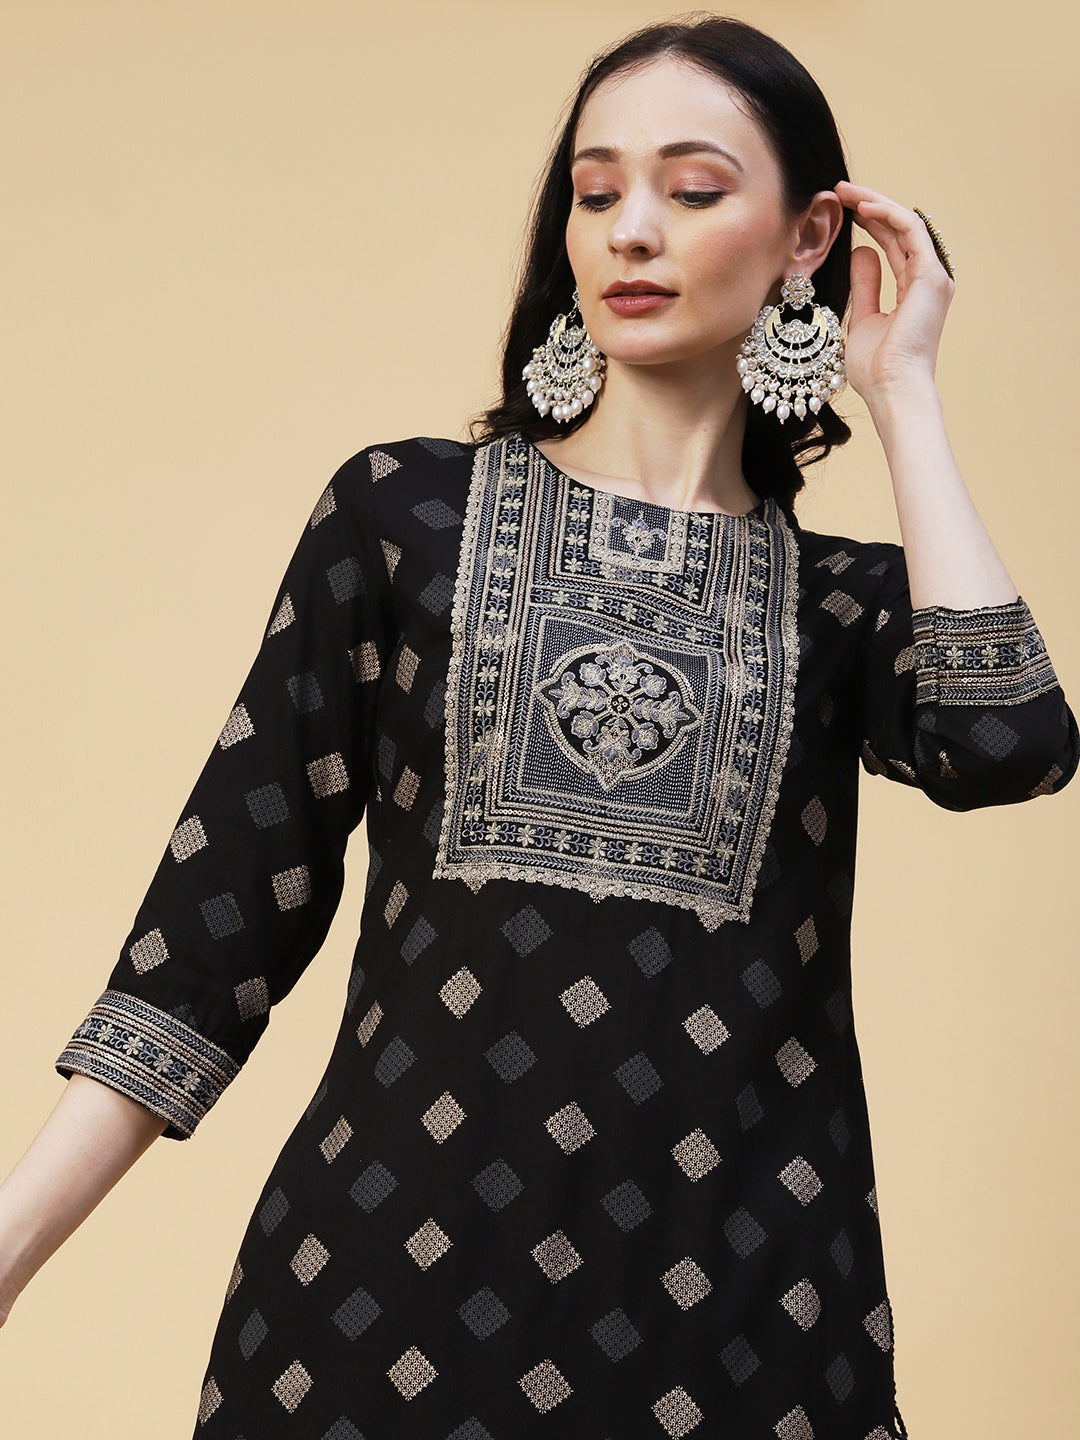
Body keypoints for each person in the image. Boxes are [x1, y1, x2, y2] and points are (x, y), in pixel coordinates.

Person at [1, 13, 1076, 1439]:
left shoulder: (846, 606)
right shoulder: (403, 520)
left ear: (809, 236)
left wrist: (907, 394)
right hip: (376, 1316)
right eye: (595, 190)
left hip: (749, 1333)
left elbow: (1008, 747)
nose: (631, 229)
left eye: (693, 190)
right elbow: (213, 934)